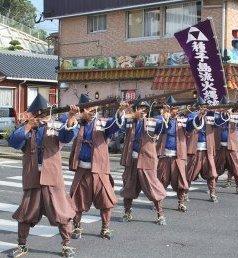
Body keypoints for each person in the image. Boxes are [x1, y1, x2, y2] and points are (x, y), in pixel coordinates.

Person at [8, 94, 78, 257]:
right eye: (38, 114)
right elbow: (13, 141)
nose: (42, 117)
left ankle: (66, 245)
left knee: (62, 212)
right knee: (26, 214)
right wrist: (28, 126)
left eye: (44, 114)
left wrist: (71, 118)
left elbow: (67, 136)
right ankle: (22, 245)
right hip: (32, 177)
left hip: (52, 178)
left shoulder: (56, 126)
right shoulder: (27, 128)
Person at [69, 94, 123, 240]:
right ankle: (77, 227)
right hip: (82, 169)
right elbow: (66, 133)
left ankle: (105, 228)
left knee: (106, 201)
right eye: (87, 108)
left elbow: (115, 125)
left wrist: (119, 112)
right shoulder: (77, 123)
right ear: (81, 110)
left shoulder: (102, 123)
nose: (90, 110)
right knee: (76, 201)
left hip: (100, 170)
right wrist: (72, 117)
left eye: (92, 107)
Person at [120, 100, 167, 225]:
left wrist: (166, 116)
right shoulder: (129, 121)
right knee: (128, 187)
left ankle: (160, 214)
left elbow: (163, 128)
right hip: (132, 160)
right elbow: (119, 124)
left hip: (147, 160)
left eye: (145, 109)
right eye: (140, 108)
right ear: (136, 109)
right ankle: (127, 212)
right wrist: (124, 111)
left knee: (153, 187)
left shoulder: (153, 122)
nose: (143, 111)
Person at [156, 97, 189, 212]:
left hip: (178, 156)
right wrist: (166, 118)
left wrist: (199, 116)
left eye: (175, 109)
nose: (174, 111)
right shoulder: (161, 119)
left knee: (180, 180)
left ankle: (181, 203)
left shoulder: (182, 120)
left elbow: (191, 126)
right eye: (172, 109)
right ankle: (158, 203)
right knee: (161, 180)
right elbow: (158, 128)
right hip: (164, 155)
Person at [186, 98, 218, 202]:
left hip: (207, 149)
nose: (204, 108)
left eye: (205, 106)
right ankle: (185, 192)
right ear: (198, 107)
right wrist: (200, 115)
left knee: (211, 172)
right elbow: (191, 126)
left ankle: (212, 193)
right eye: (202, 106)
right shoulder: (192, 115)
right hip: (195, 149)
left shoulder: (211, 115)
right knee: (190, 172)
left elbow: (219, 121)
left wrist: (225, 113)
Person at [214, 100, 238, 196]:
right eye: (223, 107)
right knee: (216, 168)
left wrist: (237, 113)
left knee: (236, 168)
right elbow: (218, 122)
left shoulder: (235, 116)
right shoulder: (217, 116)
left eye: (227, 107)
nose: (225, 109)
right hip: (220, 147)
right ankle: (213, 188)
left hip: (232, 147)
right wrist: (225, 114)